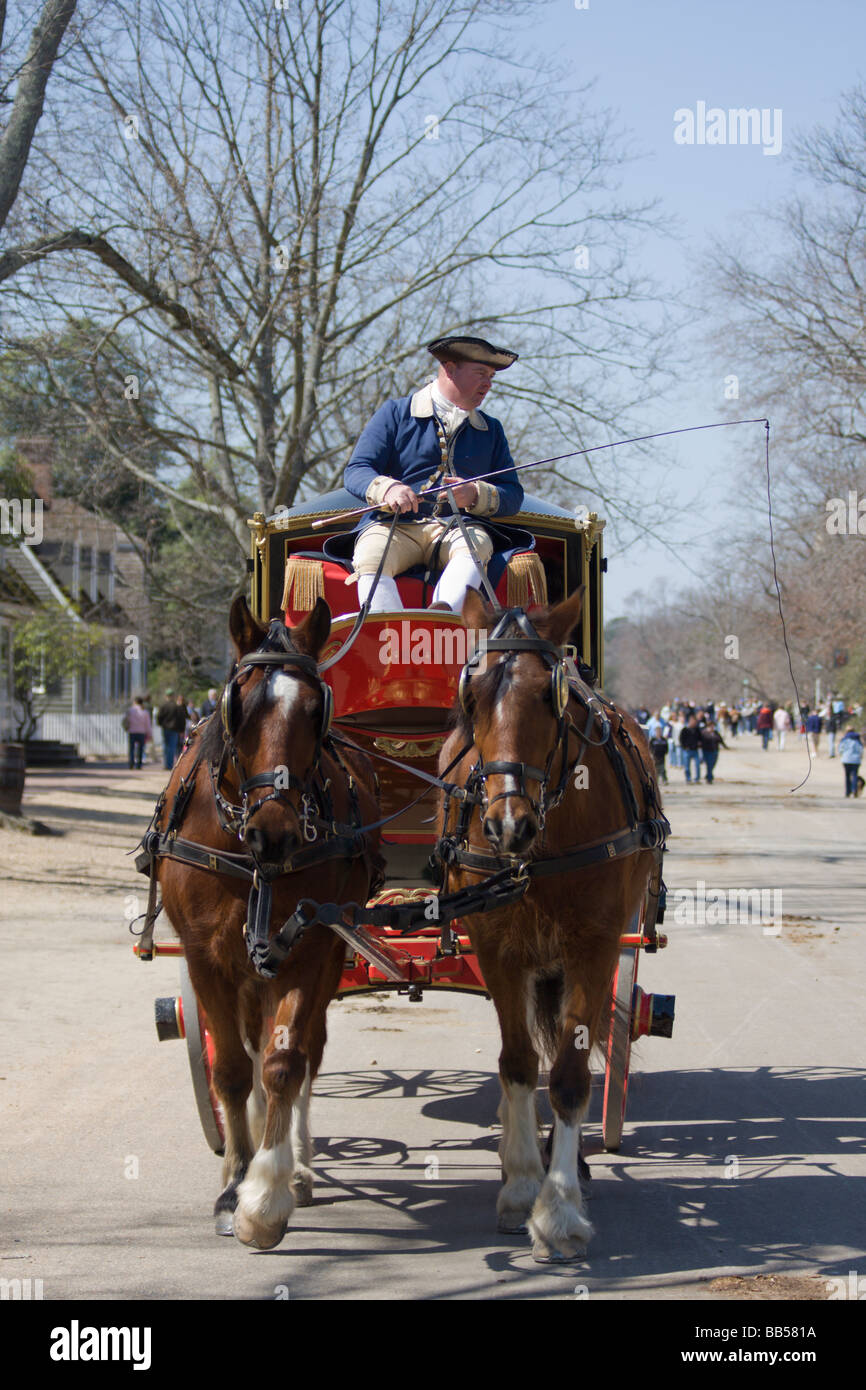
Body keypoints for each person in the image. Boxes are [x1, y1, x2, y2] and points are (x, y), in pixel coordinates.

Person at [342, 335, 524, 613]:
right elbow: (356, 471)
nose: (488, 384)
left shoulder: (492, 429)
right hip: (396, 527)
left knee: (476, 546)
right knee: (371, 554)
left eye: (491, 376)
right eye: (480, 373)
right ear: (450, 369)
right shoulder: (395, 413)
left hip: (458, 530)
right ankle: (389, 634)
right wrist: (389, 489)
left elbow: (512, 494)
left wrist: (475, 494)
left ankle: (442, 618)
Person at [157, 688, 187, 770]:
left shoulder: (163, 706)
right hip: (175, 729)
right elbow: (181, 719)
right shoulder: (177, 707)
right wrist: (181, 730)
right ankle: (169, 765)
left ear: (166, 696)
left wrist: (161, 724)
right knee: (172, 747)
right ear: (173, 696)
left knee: (166, 747)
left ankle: (166, 764)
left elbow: (159, 717)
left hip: (165, 728)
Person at [124, 696, 152, 770]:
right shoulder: (145, 712)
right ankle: (139, 764)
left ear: (135, 702)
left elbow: (126, 720)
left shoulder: (130, 710)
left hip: (132, 731)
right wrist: (149, 734)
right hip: (141, 732)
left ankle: (131, 763)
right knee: (140, 749)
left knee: (131, 749)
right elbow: (148, 724)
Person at [839, 727, 863, 798]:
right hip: (856, 760)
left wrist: (843, 755)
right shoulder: (857, 740)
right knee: (854, 775)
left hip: (846, 759)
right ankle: (854, 790)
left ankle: (847, 792)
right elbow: (860, 750)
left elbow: (840, 750)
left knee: (847, 776)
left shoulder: (844, 740)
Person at [679, 714, 702, 784]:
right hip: (687, 750)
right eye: (692, 721)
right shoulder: (685, 730)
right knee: (687, 766)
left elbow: (700, 738)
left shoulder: (697, 730)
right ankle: (688, 779)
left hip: (695, 750)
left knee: (697, 765)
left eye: (695, 721)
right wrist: (684, 746)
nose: (694, 723)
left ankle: (697, 779)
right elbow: (681, 739)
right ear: (689, 721)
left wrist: (699, 743)